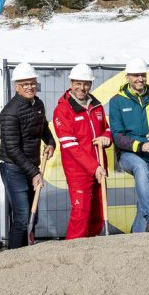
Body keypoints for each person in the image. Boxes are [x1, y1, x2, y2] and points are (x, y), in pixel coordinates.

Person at [109, 58, 149, 232]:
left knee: (146, 199)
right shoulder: (117, 101)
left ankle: (136, 237)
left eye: (142, 75)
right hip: (128, 154)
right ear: (127, 77)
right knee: (140, 167)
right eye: (135, 75)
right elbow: (117, 136)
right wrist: (139, 146)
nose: (140, 79)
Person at [0, 62, 55, 248]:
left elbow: (43, 127)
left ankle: (28, 254)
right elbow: (13, 149)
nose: (30, 87)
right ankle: (14, 256)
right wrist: (34, 173)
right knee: (22, 215)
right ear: (16, 87)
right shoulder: (9, 113)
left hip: (30, 166)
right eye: (25, 84)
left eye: (32, 83)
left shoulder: (38, 104)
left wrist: (51, 142)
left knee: (33, 213)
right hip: (12, 167)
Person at [53, 63, 112, 239]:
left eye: (86, 83)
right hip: (79, 170)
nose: (82, 88)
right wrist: (93, 167)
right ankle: (73, 252)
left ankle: (90, 251)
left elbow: (106, 129)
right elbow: (70, 146)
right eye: (78, 83)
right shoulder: (63, 109)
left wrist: (106, 137)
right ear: (71, 83)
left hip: (99, 167)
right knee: (81, 213)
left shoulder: (96, 105)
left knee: (98, 213)